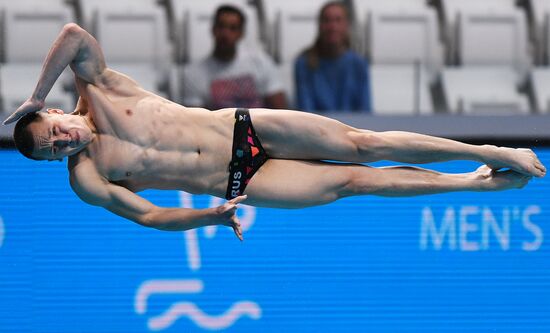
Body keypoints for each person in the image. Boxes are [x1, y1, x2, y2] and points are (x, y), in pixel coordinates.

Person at [4, 24, 546, 242]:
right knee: (355, 182)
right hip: (237, 180)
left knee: (366, 144)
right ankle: (476, 183)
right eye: (54, 151)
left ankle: (494, 150)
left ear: (56, 112)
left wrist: (32, 93)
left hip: (246, 126)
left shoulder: (100, 89)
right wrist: (206, 216)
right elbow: (148, 215)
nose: (63, 142)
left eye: (54, 130)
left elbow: (73, 35)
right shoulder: (89, 178)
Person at [181, 5, 287, 110]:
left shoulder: (261, 62)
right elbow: (196, 121)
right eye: (221, 26)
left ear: (241, 34)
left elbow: (280, 111)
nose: (225, 34)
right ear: (213, 29)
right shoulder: (194, 73)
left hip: (258, 126)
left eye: (233, 28)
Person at [295, 1, 371, 112]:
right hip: (316, 128)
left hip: (352, 128)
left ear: (347, 25)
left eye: (338, 20)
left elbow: (365, 112)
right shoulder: (304, 64)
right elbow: (306, 112)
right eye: (327, 20)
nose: (332, 26)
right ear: (319, 26)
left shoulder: (359, 64)